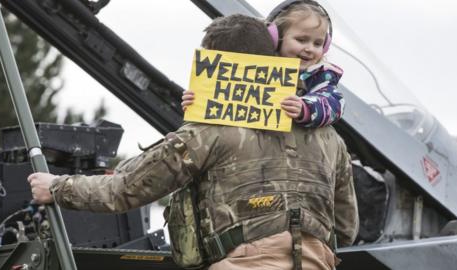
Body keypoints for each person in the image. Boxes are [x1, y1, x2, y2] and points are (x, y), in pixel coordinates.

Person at [28, 14, 358, 270]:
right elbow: (346, 229)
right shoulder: (330, 138)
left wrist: (56, 187)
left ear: (217, 67)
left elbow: (125, 189)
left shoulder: (211, 131)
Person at [182, 0, 345, 129]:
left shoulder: (320, 78)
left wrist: (306, 108)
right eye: (301, 40)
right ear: (276, 36)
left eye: (318, 44)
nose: (310, 49)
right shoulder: (252, 70)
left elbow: (335, 104)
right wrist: (197, 100)